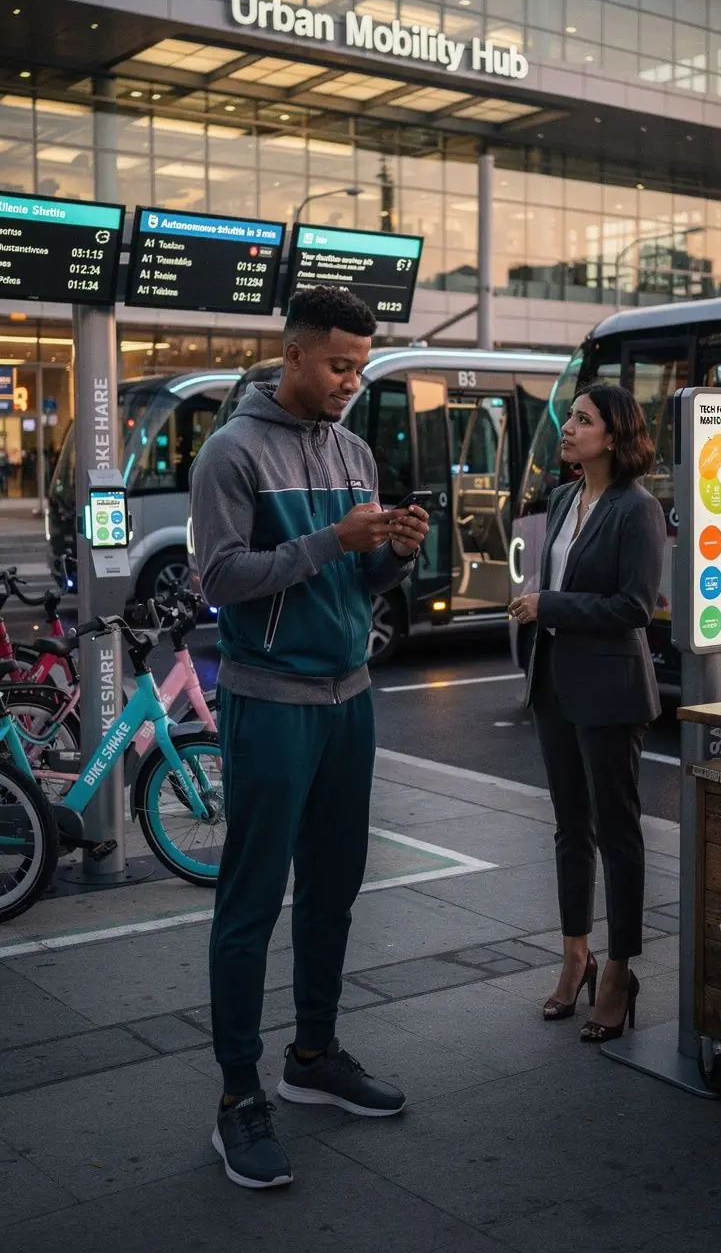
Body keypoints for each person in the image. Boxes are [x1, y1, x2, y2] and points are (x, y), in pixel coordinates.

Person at [190, 286, 429, 1191]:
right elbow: (221, 580)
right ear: (292, 355)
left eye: (360, 367)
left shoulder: (354, 449)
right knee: (250, 903)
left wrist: (393, 552)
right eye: (338, 366)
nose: (351, 382)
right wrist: (333, 537)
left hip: (349, 699)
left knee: (334, 889)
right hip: (270, 701)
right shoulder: (231, 451)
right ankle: (237, 1097)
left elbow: (356, 585)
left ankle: (314, 1056)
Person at [509, 382, 665, 1044]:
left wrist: (549, 606)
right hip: (554, 683)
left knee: (618, 832)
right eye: (569, 417)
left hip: (610, 690)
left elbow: (635, 607)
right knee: (570, 828)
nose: (568, 428)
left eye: (582, 419)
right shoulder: (564, 497)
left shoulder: (638, 509)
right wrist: (543, 611)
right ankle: (576, 954)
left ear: (614, 434)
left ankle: (620, 971)